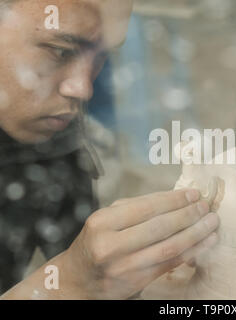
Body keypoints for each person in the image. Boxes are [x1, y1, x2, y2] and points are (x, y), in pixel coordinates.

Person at [0, 0, 219, 299]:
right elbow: (76, 279)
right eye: (61, 51)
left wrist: (124, 267)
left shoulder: (52, 135)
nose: (83, 88)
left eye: (101, 55)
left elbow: (88, 262)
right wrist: (68, 284)